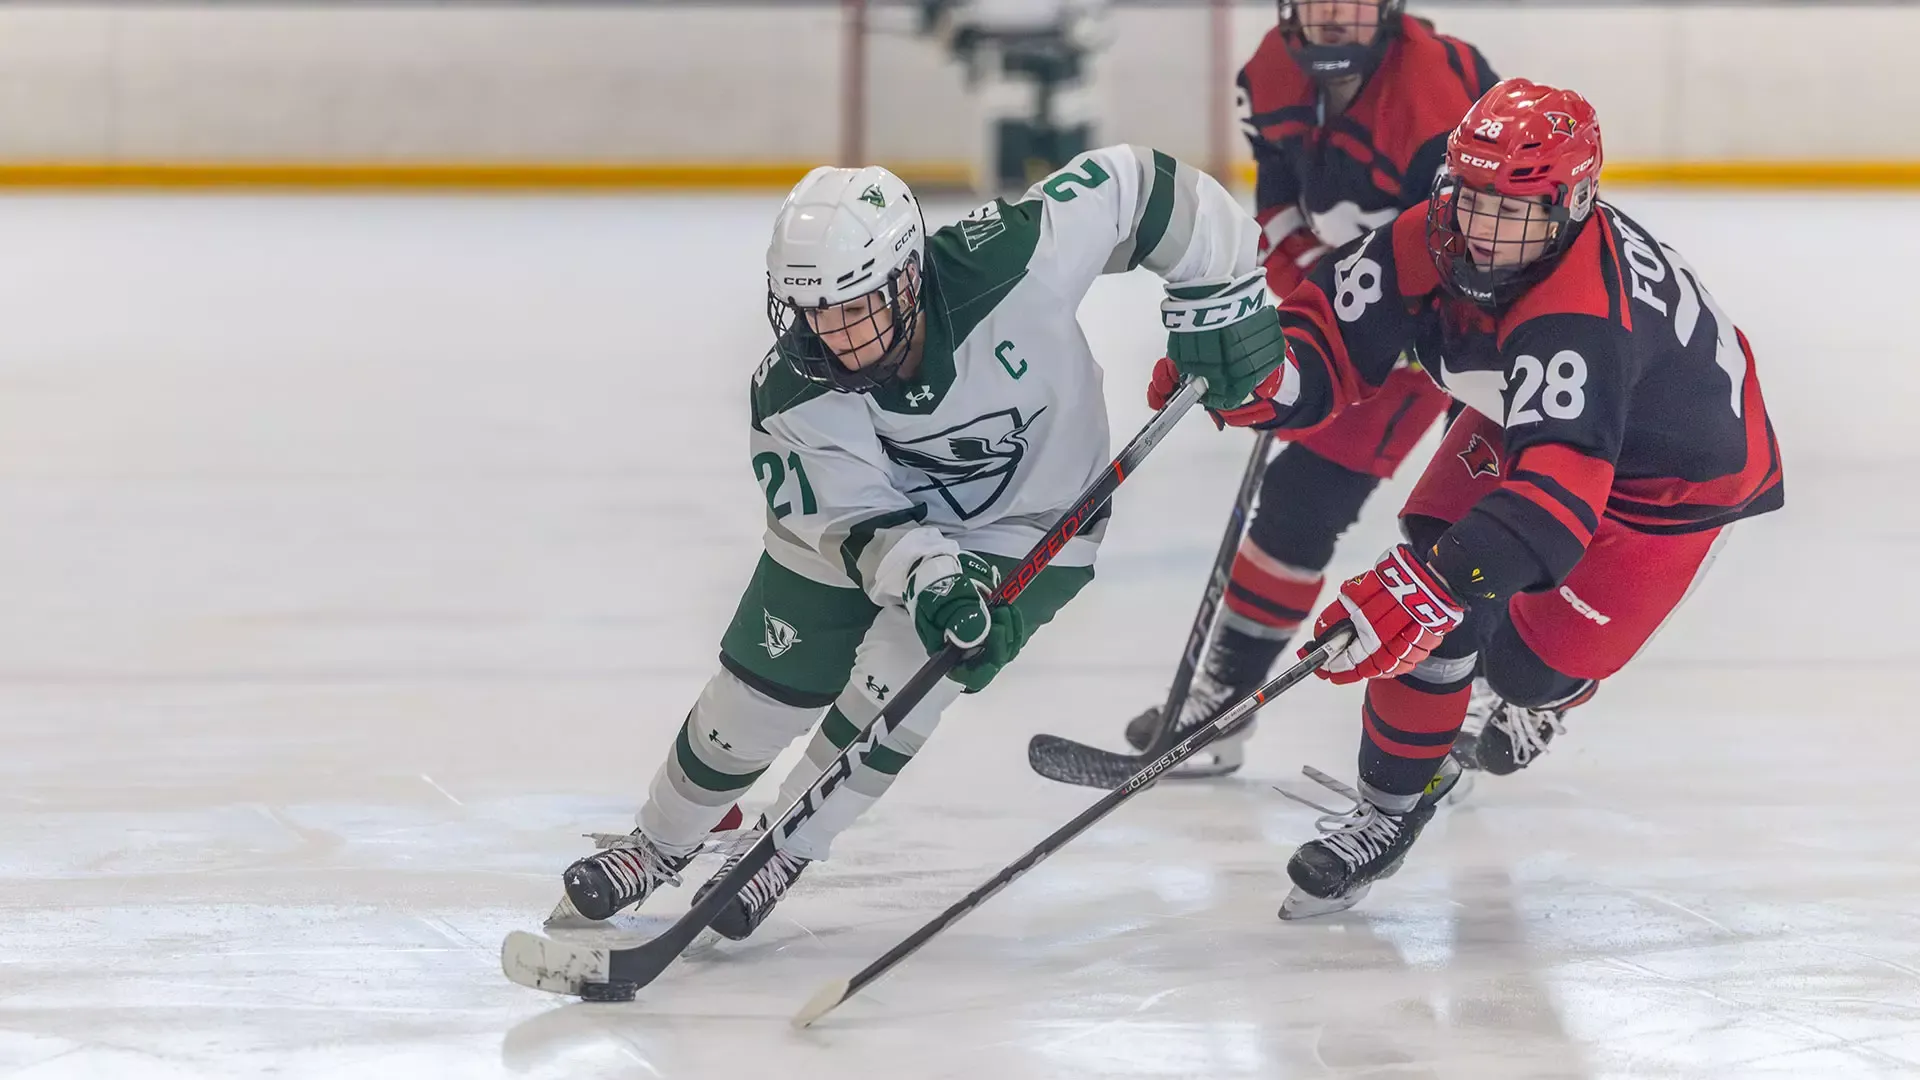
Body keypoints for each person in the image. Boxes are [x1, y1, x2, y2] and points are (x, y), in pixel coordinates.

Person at [551, 145, 1275, 939]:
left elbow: (1143, 187)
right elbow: (852, 520)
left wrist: (1221, 297)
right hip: (863, 535)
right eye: (815, 313)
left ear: (907, 277)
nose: (835, 337)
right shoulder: (795, 388)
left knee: (903, 683)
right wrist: (930, 577)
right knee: (755, 699)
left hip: (1029, 525)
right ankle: (656, 844)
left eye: (855, 309)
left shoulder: (1008, 260)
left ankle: (782, 850)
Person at [1149, 78, 1784, 916]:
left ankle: (1548, 696)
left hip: (1671, 486)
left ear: (1575, 205)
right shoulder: (1428, 234)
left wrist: (1441, 584)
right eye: (1473, 198)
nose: (1483, 234)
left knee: (1517, 662)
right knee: (1433, 596)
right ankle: (1384, 816)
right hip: (1533, 423)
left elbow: (1558, 498)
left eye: (1515, 213)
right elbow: (1329, 336)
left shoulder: (1580, 317)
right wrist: (1255, 376)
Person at [1120, 0, 1499, 777]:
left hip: (1477, 324)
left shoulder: (1434, 99)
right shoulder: (1271, 67)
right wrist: (1299, 328)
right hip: (1372, 298)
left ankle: (1479, 705)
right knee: (1298, 500)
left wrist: (1370, 339)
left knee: (1476, 525)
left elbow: (1475, 253)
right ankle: (1222, 705)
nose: (1334, 18)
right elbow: (1283, 209)